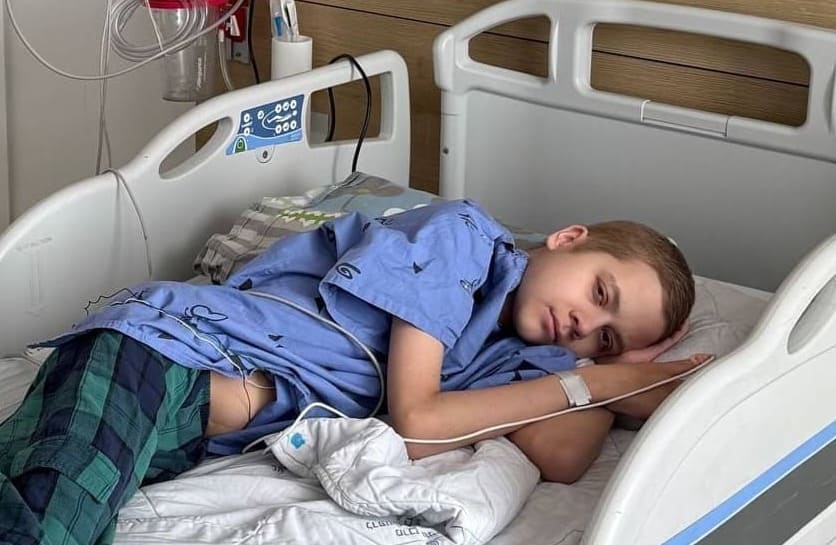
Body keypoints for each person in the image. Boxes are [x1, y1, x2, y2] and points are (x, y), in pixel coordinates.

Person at [0, 198, 701, 545]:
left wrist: (616, 373)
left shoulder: (527, 363)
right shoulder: (463, 242)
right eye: (599, 293)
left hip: (188, 431)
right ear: (569, 239)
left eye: (607, 335)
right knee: (57, 518)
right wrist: (602, 378)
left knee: (52, 496)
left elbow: (564, 455)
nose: (584, 323)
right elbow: (418, 419)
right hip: (158, 354)